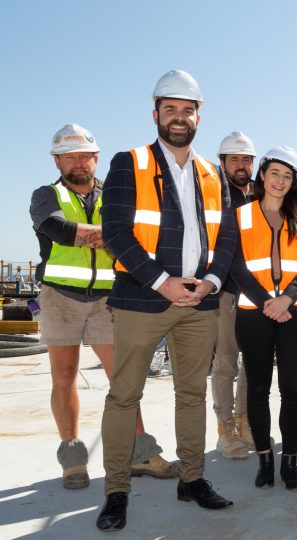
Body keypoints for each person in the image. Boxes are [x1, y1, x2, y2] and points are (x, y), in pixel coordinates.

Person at [96, 70, 236, 531]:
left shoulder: (214, 173)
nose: (179, 118)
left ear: (200, 116)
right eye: (170, 109)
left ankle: (192, 478)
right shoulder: (128, 162)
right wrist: (162, 282)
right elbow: (117, 234)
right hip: (142, 300)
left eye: (187, 110)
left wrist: (211, 281)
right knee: (123, 396)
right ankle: (117, 491)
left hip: (199, 302)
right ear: (155, 114)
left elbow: (228, 239)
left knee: (192, 394)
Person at [30, 124, 176, 491]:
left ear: (96, 158)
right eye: (69, 156)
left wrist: (102, 237)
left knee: (124, 381)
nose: (78, 162)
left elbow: (139, 234)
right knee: (64, 378)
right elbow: (59, 230)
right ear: (57, 160)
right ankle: (73, 459)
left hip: (110, 299)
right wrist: (111, 237)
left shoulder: (116, 193)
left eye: (85, 155)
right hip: (60, 297)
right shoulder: (45, 195)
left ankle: (140, 453)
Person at [230, 146, 297, 491]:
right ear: (262, 175)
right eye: (274, 173)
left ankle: (289, 462)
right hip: (254, 314)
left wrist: (286, 299)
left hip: (296, 313)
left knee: (294, 389)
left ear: (293, 181)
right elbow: (235, 264)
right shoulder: (240, 216)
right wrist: (268, 302)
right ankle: (265, 460)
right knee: (258, 388)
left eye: (288, 175)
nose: (280, 181)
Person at [211, 131, 257, 460]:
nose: (241, 165)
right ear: (223, 162)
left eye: (246, 160)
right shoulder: (211, 194)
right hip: (226, 290)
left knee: (254, 363)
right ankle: (225, 427)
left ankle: (246, 420)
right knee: (226, 362)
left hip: (255, 291)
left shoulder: (261, 193)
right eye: (235, 159)